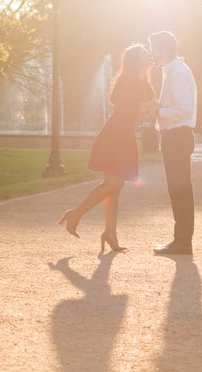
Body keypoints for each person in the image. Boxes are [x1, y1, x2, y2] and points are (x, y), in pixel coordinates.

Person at [58, 44, 157, 252]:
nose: (151, 55)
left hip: (124, 135)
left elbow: (146, 108)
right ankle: (75, 215)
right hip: (116, 136)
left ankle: (110, 232)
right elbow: (125, 107)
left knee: (115, 186)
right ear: (137, 60)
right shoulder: (130, 80)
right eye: (146, 54)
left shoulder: (143, 82)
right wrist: (150, 105)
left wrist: (152, 106)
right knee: (112, 184)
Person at [148, 30, 198, 256]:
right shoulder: (174, 71)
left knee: (180, 190)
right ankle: (182, 240)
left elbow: (183, 109)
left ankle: (183, 242)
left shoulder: (177, 73)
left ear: (164, 49)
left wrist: (158, 110)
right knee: (179, 190)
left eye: (154, 48)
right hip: (176, 137)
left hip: (177, 136)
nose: (152, 53)